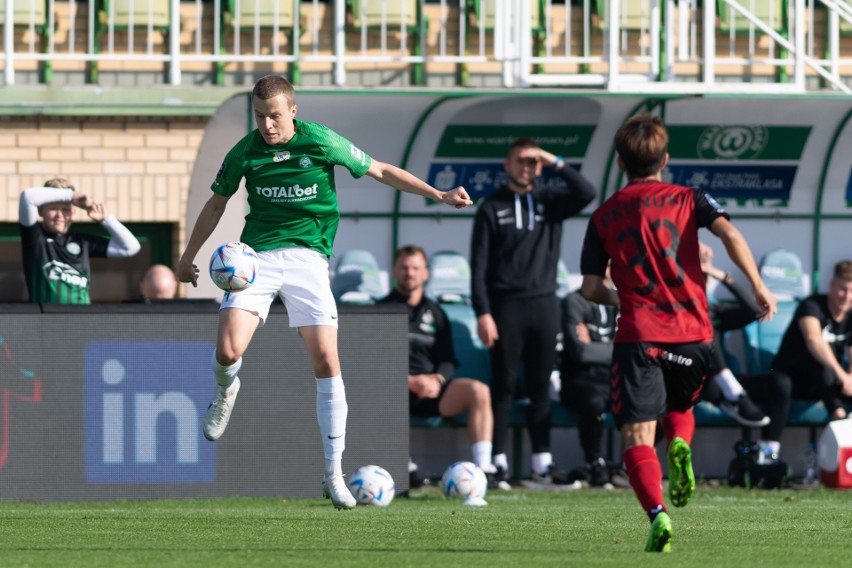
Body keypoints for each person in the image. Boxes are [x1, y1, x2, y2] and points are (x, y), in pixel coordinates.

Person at [175, 75, 472, 510]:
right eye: (260, 117)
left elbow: (381, 170)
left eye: (275, 116)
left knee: (327, 361)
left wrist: (439, 194)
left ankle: (334, 474)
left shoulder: (321, 141)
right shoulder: (245, 151)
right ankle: (225, 391)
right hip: (256, 259)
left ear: (293, 111)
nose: (268, 126)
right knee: (226, 350)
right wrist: (187, 256)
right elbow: (217, 203)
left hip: (308, 259)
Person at [579, 113, 776, 552]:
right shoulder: (691, 198)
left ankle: (657, 514)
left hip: (640, 335)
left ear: (619, 163)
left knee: (636, 433)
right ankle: (681, 444)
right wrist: (758, 287)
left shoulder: (605, 215)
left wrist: (621, 297)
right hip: (694, 334)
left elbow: (591, 287)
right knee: (679, 406)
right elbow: (731, 235)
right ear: (665, 159)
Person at [470, 137, 596, 486]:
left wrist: (553, 160)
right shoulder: (490, 207)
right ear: (507, 165)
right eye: (520, 161)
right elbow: (478, 266)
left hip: (544, 305)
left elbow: (587, 192)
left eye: (532, 162)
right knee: (505, 385)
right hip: (506, 307)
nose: (526, 167)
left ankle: (543, 464)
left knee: (541, 387)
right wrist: (483, 312)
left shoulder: (549, 202)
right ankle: (497, 463)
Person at [379, 245, 510, 491]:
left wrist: (437, 380)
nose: (410, 273)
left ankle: (483, 471)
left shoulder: (436, 312)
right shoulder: (380, 309)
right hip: (394, 391)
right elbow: (372, 363)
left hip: (432, 391)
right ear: (394, 271)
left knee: (478, 390)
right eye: (404, 268)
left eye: (416, 268)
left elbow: (448, 360)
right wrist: (408, 381)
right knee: (375, 389)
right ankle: (399, 464)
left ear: (426, 273)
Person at [699, 241, 792, 462]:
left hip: (722, 384)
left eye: (704, 277)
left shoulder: (713, 308)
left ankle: (767, 455)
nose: (700, 281)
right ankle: (731, 392)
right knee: (701, 325)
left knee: (780, 382)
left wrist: (721, 275)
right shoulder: (673, 305)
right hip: (693, 382)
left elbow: (755, 311)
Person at [19, 177, 141, 304]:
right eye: (53, 208)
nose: (59, 215)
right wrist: (71, 196)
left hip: (82, 321)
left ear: (73, 212)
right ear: (40, 210)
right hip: (45, 322)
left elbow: (131, 248)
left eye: (65, 209)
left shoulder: (82, 242)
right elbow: (27, 197)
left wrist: (106, 219)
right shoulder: (35, 239)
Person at [559, 266, 618, 488]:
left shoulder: (624, 301)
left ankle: (627, 466)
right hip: (580, 380)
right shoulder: (574, 301)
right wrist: (615, 347)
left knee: (655, 401)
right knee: (593, 402)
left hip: (613, 378)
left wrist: (595, 346)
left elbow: (635, 347)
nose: (605, 268)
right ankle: (595, 462)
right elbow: (579, 352)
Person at [773, 260, 852, 421]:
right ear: (831, 285)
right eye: (843, 289)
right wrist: (842, 376)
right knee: (820, 358)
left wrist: (850, 377)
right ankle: (839, 417)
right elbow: (813, 340)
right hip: (792, 381)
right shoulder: (811, 305)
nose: (848, 296)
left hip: (825, 383)